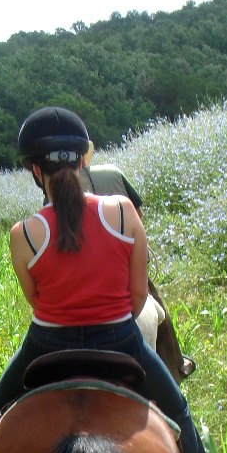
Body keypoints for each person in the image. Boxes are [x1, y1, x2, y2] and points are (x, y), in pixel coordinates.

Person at [0, 106, 227, 453]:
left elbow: (36, 299)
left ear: (33, 169)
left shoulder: (22, 233)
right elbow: (139, 297)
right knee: (178, 411)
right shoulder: (122, 212)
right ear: (85, 160)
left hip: (47, 343)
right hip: (120, 337)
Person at [80, 148, 196, 384]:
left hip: (84, 276)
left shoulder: (55, 191)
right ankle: (176, 364)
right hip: (124, 263)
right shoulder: (112, 172)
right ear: (85, 155)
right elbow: (138, 216)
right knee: (157, 309)